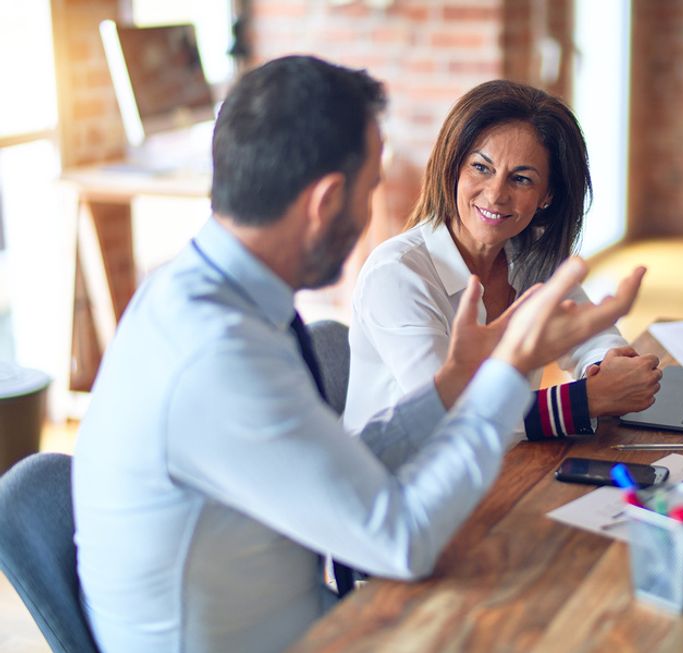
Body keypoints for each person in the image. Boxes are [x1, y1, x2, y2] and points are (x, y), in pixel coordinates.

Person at [72, 56, 645, 653]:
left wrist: (453, 382)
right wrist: (503, 374)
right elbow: (399, 538)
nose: (376, 209)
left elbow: (350, 463)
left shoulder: (208, 296)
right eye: (372, 187)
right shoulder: (221, 353)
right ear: (326, 201)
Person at [344, 80, 662, 439]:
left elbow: (590, 337)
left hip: (498, 467)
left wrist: (606, 366)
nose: (496, 195)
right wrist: (586, 400)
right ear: (453, 168)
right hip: (398, 479)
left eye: (522, 179)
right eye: (481, 168)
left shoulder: (531, 255)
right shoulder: (397, 275)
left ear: (547, 196)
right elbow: (452, 414)